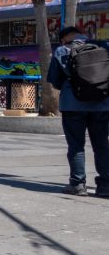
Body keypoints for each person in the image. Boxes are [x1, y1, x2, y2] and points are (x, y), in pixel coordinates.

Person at [47, 26, 109, 196]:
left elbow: (54, 80)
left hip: (73, 105)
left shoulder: (61, 50)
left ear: (63, 38)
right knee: (102, 145)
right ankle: (105, 185)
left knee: (76, 145)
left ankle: (78, 184)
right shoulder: (103, 46)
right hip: (101, 104)